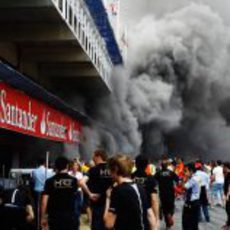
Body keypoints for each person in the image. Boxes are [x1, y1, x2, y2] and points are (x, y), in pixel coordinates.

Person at [103, 154, 156, 230]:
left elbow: (108, 224)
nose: (110, 174)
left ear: (116, 169)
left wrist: (108, 198)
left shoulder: (118, 190)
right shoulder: (140, 188)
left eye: (110, 170)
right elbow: (151, 216)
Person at [41, 157, 79, 230]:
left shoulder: (49, 181)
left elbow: (44, 201)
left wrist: (43, 218)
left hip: (54, 217)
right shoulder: (74, 180)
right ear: (67, 166)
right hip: (70, 217)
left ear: (56, 167)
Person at [86, 149, 113, 230]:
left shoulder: (93, 170)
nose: (92, 158)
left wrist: (89, 194)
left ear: (98, 157)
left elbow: (81, 182)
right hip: (112, 205)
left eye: (93, 156)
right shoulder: (112, 169)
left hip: (98, 204)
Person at [132, 154, 159, 227]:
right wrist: (156, 218)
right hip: (146, 213)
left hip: (130, 213)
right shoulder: (151, 179)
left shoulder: (129, 177)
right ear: (147, 165)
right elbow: (154, 199)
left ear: (135, 165)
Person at [155, 158, 179, 229]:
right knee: (171, 207)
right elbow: (177, 179)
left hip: (163, 194)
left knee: (165, 209)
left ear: (161, 166)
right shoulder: (171, 172)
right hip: (171, 193)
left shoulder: (158, 173)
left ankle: (168, 223)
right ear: (167, 165)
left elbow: (153, 181)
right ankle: (170, 216)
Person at [32, 158, 53, 229]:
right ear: (45, 163)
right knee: (45, 209)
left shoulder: (34, 171)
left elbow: (33, 180)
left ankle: (37, 224)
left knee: (37, 208)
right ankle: (44, 225)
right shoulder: (49, 172)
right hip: (45, 191)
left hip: (37, 190)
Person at [182, 163, 201, 230]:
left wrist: (185, 177)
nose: (185, 172)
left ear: (191, 171)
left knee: (187, 224)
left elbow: (184, 187)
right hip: (195, 202)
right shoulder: (197, 177)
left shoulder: (193, 179)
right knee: (194, 224)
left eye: (186, 171)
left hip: (191, 204)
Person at [69, 159, 84, 229]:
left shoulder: (80, 174)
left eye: (76, 165)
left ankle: (76, 226)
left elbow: (81, 185)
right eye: (74, 165)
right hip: (71, 194)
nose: (75, 167)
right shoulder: (69, 174)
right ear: (71, 166)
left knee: (77, 211)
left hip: (78, 193)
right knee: (73, 211)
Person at [222, 162, 230, 230]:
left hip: (229, 195)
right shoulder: (227, 174)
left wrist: (227, 195)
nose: (222, 168)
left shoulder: (229, 174)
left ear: (226, 167)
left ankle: (228, 225)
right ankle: (228, 224)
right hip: (227, 194)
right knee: (227, 209)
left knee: (228, 209)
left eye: (223, 166)